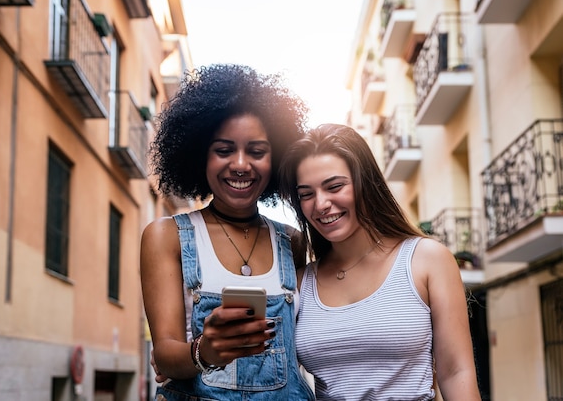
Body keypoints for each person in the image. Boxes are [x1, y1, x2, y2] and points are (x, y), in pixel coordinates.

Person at [140, 63, 315, 400]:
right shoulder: (166, 236)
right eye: (223, 150)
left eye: (257, 151)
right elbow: (164, 354)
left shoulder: (292, 241)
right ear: (199, 158)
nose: (239, 164)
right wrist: (204, 352)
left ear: (275, 159)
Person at [279, 123, 481, 401]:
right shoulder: (300, 282)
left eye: (334, 186)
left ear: (365, 183)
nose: (321, 204)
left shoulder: (427, 260)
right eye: (306, 194)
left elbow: (456, 372)